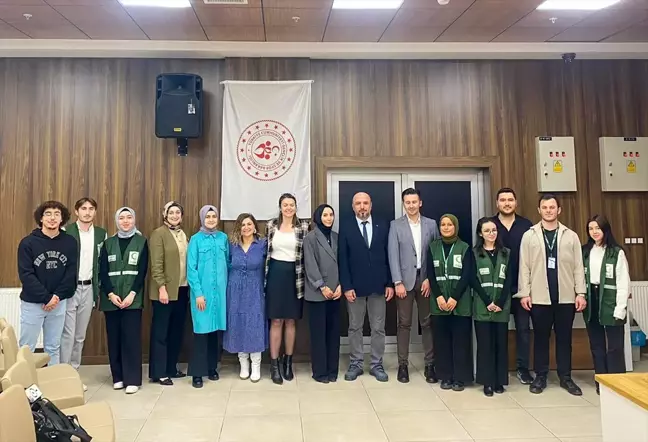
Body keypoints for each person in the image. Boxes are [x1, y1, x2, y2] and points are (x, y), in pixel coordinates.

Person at [518, 194, 586, 396]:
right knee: (540, 338)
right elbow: (524, 266)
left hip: (565, 297)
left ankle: (566, 377)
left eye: (552, 207)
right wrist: (524, 293)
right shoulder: (529, 235)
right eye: (545, 207)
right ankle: (540, 376)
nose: (548, 210)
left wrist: (580, 293)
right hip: (539, 298)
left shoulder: (570, 236)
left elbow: (578, 267)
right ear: (539, 210)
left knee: (564, 339)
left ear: (559, 210)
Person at [338, 192, 394, 382]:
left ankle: (377, 364)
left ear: (371, 205)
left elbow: (389, 255)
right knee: (355, 327)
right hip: (354, 286)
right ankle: (356, 363)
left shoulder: (383, 223)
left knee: (378, 327)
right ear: (353, 206)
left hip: (379, 285)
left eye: (365, 203)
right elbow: (342, 259)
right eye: (358, 203)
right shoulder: (346, 226)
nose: (362, 207)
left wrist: (390, 282)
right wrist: (346, 286)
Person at [388, 188, 439, 384]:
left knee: (427, 323)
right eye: (407, 202)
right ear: (404, 204)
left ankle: (430, 365)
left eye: (414, 202)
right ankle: (403, 365)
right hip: (405, 281)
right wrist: (397, 281)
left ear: (420, 203)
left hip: (425, 279)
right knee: (404, 324)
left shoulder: (431, 225)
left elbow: (435, 253)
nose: (411, 205)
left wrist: (430, 279)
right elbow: (392, 254)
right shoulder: (396, 225)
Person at [18, 201, 78, 366]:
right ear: (41, 218)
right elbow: (26, 274)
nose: (52, 218)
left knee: (53, 347)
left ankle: (53, 382)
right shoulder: (27, 243)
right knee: (26, 348)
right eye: (48, 214)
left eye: (56, 214)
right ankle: (26, 385)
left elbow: (71, 273)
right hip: (33, 304)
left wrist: (56, 297)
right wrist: (46, 298)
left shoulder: (70, 242)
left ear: (62, 219)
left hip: (58, 303)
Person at [98, 207, 148, 394]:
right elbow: (102, 271)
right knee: (114, 338)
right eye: (122, 218)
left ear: (134, 220)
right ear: (116, 221)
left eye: (129, 217)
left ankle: (132, 379)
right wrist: (110, 294)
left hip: (131, 299)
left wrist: (132, 294)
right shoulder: (108, 243)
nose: (125, 221)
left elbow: (142, 271)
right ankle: (117, 377)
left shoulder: (142, 242)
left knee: (131, 339)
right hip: (111, 299)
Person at [61, 198, 107, 390]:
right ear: (76, 211)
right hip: (70, 289)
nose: (87, 212)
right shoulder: (67, 232)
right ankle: (63, 376)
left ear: (95, 212)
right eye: (84, 209)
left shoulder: (101, 234)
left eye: (91, 209)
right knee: (67, 335)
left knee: (80, 335)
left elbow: (102, 262)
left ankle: (75, 374)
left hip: (89, 288)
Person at [265, 194, 310, 385]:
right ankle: (274, 364)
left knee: (291, 321)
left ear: (296, 207)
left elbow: (307, 253)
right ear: (280, 207)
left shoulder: (304, 227)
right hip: (275, 274)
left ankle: (288, 362)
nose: (288, 208)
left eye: (292, 205)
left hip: (295, 275)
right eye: (285, 205)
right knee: (276, 320)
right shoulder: (271, 226)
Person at [582, 214, 630, 394]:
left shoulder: (616, 252)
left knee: (615, 346)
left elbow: (624, 282)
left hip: (610, 299)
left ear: (605, 229)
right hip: (592, 300)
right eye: (591, 229)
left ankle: (617, 383)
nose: (594, 232)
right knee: (597, 345)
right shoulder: (586, 250)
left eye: (597, 228)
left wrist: (620, 308)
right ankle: (601, 380)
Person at [427, 214, 474, 391]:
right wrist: (438, 296)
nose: (446, 227)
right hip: (439, 303)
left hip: (459, 303)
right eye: (443, 224)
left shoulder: (464, 247)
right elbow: (430, 274)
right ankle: (445, 376)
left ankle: (460, 378)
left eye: (449, 225)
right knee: (442, 341)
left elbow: (467, 275)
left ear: (455, 227)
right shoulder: (433, 247)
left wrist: (454, 297)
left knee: (460, 342)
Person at [492, 187, 534, 385]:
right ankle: (496, 367)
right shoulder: (490, 225)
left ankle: (522, 368)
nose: (506, 203)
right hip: (496, 286)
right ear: (497, 203)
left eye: (510, 200)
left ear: (515, 203)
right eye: (503, 200)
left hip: (521, 287)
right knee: (496, 328)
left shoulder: (527, 226)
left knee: (523, 329)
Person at [223, 213, 268, 383]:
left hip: (255, 290)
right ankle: (243, 363)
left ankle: (256, 364)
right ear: (238, 228)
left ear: (255, 226)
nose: (246, 227)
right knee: (238, 324)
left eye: (249, 224)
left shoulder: (262, 244)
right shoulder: (232, 245)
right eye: (243, 225)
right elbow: (226, 264)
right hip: (235, 291)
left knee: (255, 324)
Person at [148, 201, 189, 386]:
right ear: (165, 215)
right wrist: (162, 287)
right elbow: (156, 265)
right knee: (161, 333)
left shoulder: (183, 234)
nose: (174, 215)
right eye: (171, 212)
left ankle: (171, 367)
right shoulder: (159, 234)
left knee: (176, 332)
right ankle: (159, 372)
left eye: (177, 212)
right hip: (164, 292)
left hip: (182, 289)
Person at [187, 205, 228, 389]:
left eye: (214, 216)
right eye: (208, 216)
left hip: (219, 295)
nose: (211, 219)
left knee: (215, 333)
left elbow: (228, 262)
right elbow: (191, 269)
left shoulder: (223, 238)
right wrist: (198, 294)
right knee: (201, 333)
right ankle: (197, 373)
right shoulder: (195, 240)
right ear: (202, 218)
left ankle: (212, 368)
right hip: (202, 296)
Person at [472, 217, 512, 397]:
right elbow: (473, 280)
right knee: (485, 345)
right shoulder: (474, 254)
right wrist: (488, 302)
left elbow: (510, 279)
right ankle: (487, 381)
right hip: (483, 305)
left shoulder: (506, 253)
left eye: (494, 230)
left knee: (500, 344)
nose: (491, 234)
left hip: (501, 307)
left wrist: (501, 302)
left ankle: (498, 380)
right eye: (487, 231)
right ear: (480, 233)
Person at [303, 204, 341, 384]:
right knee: (319, 334)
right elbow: (310, 265)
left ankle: (333, 370)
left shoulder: (336, 237)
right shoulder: (310, 238)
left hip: (336, 293)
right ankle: (320, 372)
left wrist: (341, 285)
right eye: (325, 215)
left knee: (333, 334)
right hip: (318, 293)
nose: (328, 218)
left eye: (331, 215)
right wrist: (322, 287)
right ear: (318, 217)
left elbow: (342, 262)